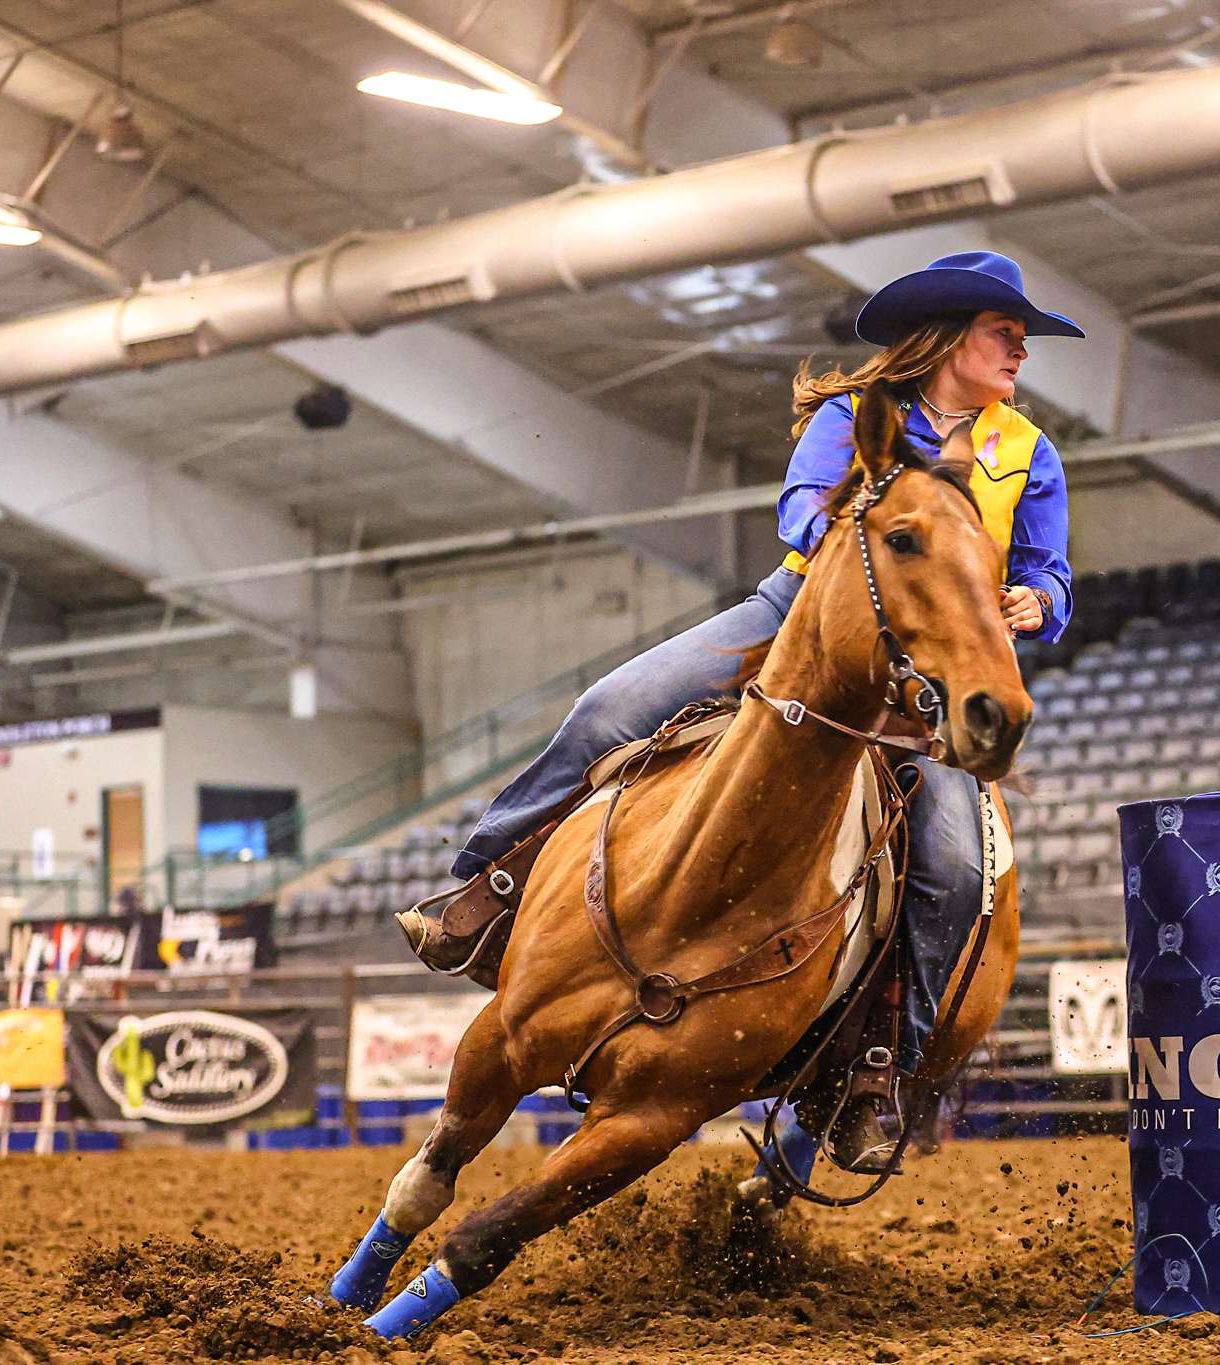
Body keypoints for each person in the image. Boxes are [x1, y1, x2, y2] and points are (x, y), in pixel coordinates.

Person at [407, 251, 1080, 1145]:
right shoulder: (854, 416)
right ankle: (487, 887)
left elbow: (1050, 573)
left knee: (955, 865)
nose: (1021, 349)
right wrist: (859, 553)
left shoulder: (1030, 453)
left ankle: (880, 1063)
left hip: (928, 669)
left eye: (1022, 336)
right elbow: (803, 510)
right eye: (1007, 331)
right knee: (608, 710)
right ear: (954, 333)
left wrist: (1039, 602)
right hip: (797, 614)